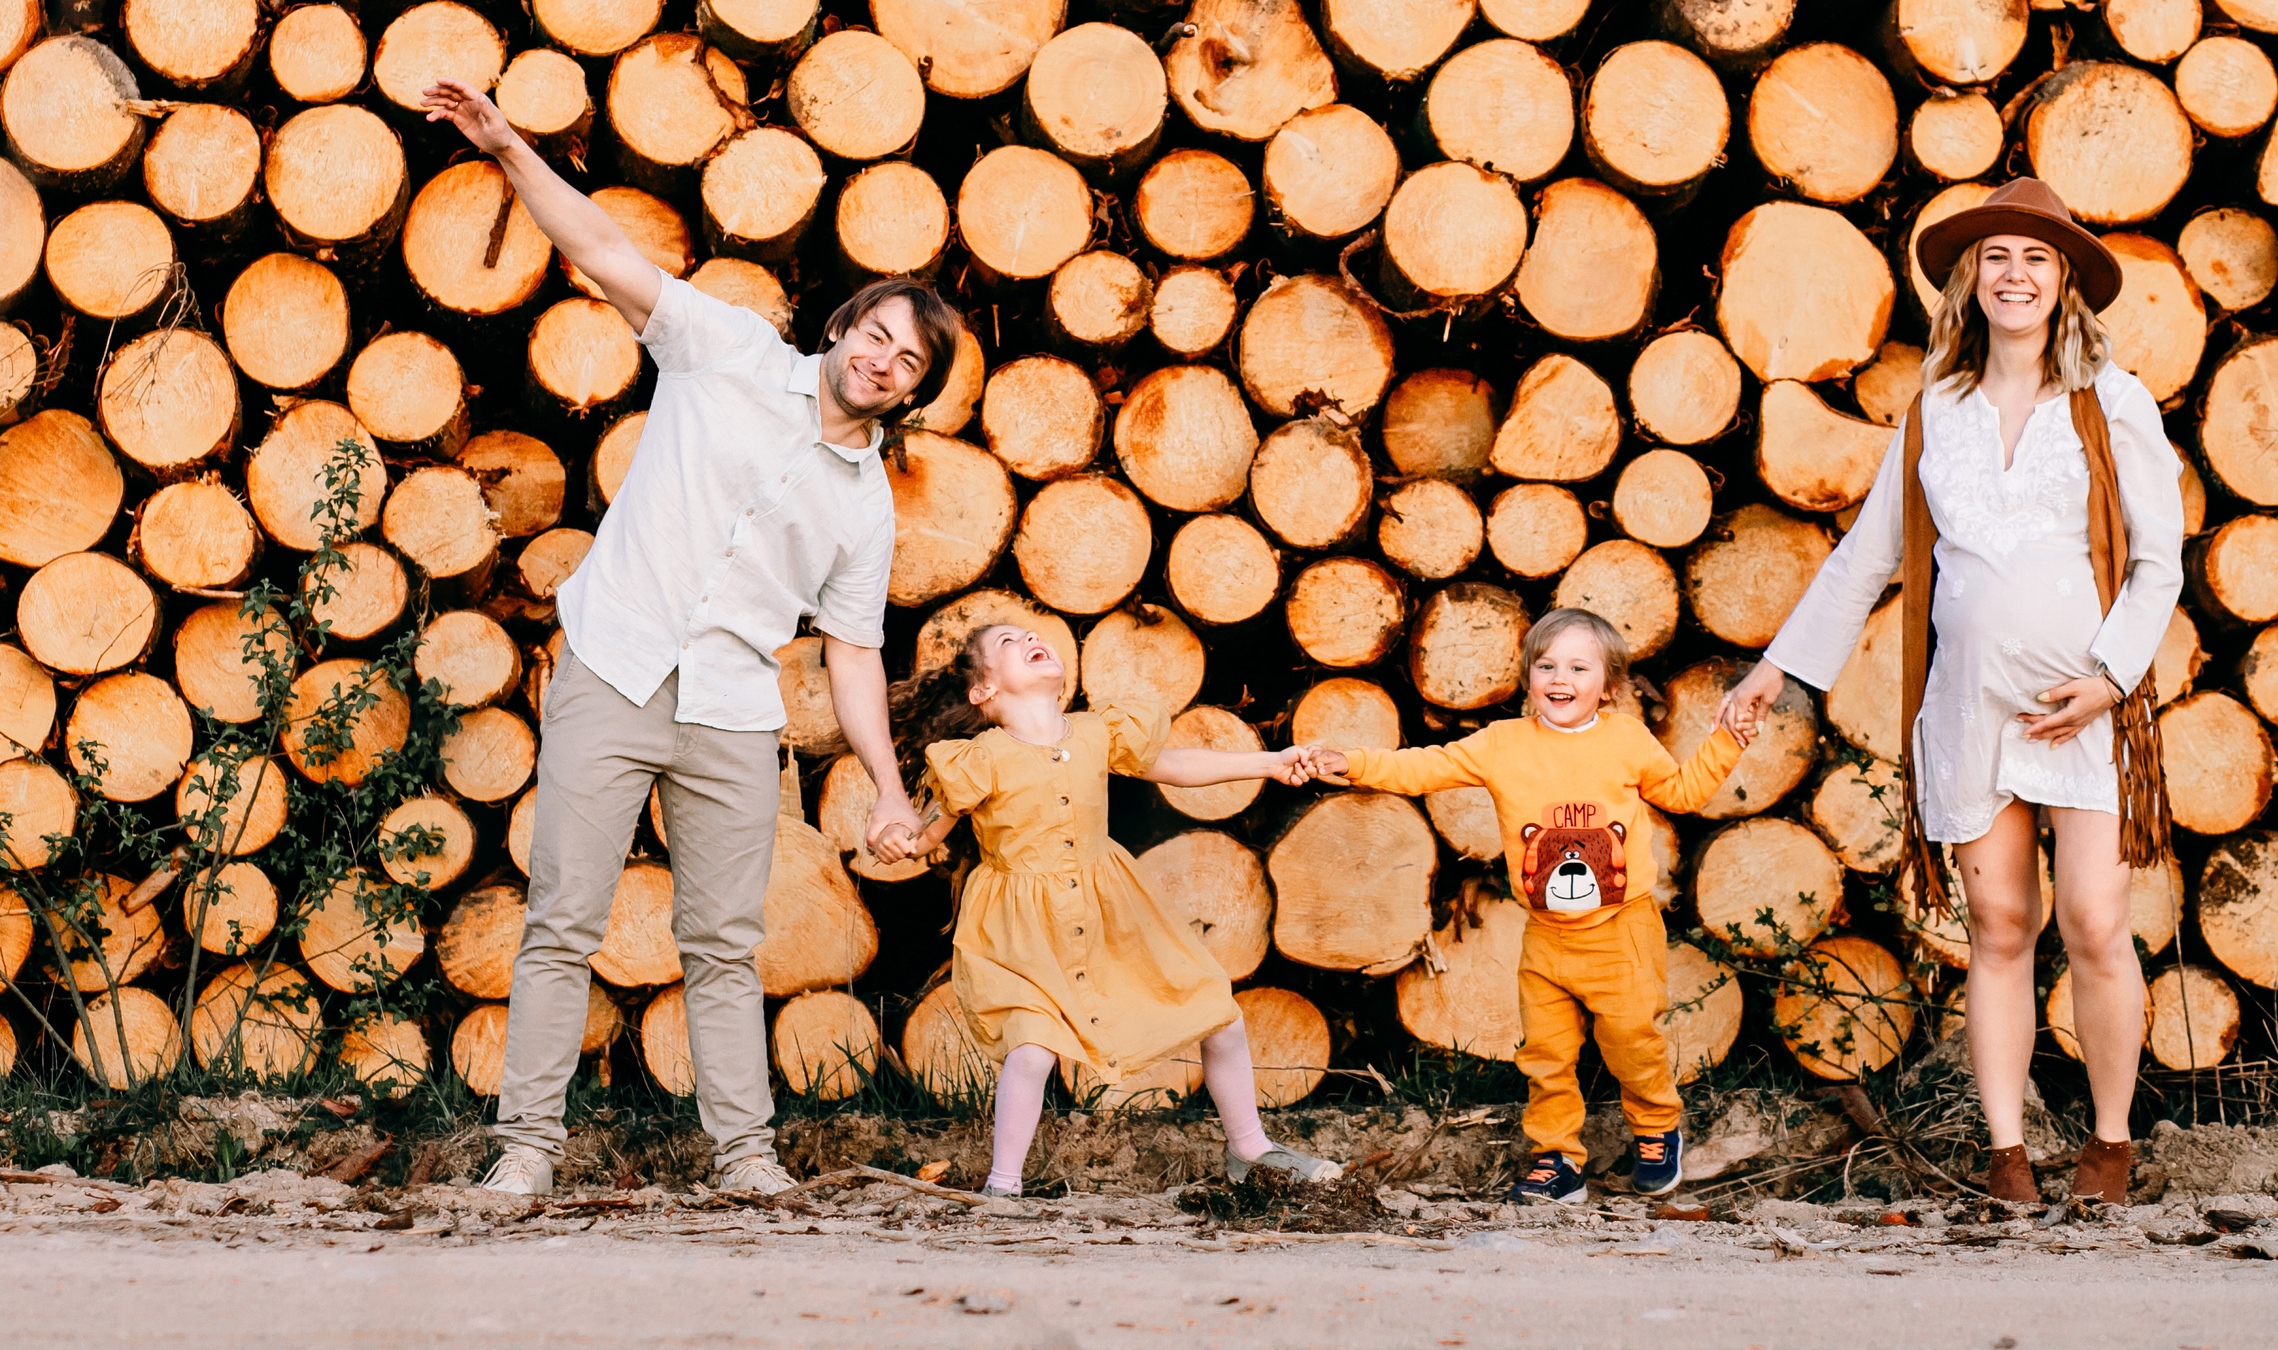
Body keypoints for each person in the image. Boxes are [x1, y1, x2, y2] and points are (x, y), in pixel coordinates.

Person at [420, 78, 961, 1198]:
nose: (883, 362)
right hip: (614, 669)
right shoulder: (726, 349)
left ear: (915, 392)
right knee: (562, 922)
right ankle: (526, 1152)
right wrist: (511, 147)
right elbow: (607, 247)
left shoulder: (866, 504)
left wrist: (886, 786)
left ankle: (744, 1158)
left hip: (731, 715)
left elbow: (852, 652)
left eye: (910, 363)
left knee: (722, 946)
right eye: (879, 336)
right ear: (845, 327)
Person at [1716, 177, 2183, 1207]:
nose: (2014, 275)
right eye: (1996, 259)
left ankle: (2108, 1142)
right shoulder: (1938, 410)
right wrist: (1773, 669)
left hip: (2085, 706)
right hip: (1970, 709)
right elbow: (1862, 559)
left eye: (2036, 259)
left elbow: (2160, 562)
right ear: (1969, 282)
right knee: (2000, 927)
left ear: (2064, 285)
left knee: (2096, 921)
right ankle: (2007, 1153)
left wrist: (2109, 680)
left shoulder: (2114, 402)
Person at [1297, 608, 1749, 1204]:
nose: (1560, 678)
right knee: (1546, 1053)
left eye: (1579, 667)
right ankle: (1557, 1159)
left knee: (1634, 1040)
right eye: (1547, 665)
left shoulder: (1626, 739)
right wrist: (1351, 762)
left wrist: (1727, 741)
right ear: (1529, 676)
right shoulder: (1503, 744)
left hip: (1622, 931)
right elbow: (1424, 766)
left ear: (1609, 686)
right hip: (1546, 935)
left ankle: (1657, 1128)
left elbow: (1683, 792)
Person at [881, 624, 1343, 1195]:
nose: (1029, 637)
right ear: (984, 692)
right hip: (1022, 928)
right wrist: (901, 840)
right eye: (1006, 642)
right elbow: (929, 832)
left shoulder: (1099, 733)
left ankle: (1251, 1149)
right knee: (1031, 1048)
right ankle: (1003, 1187)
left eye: (1030, 632)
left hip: (1111, 911)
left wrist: (1270, 763)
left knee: (1217, 1012)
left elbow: (1175, 766)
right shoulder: (979, 760)